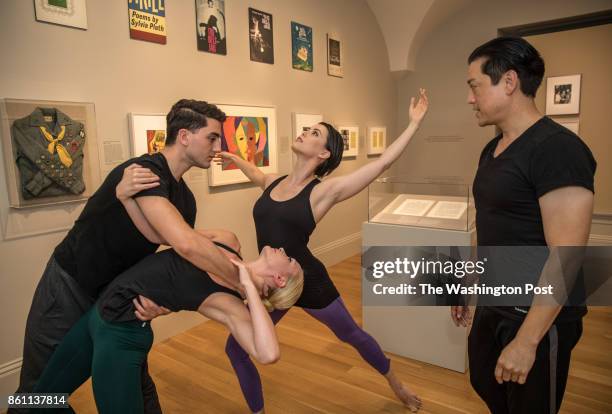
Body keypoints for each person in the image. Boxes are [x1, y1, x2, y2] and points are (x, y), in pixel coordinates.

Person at [11, 99, 241, 414]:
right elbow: (186, 245)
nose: (218, 145)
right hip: (69, 286)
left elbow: (176, 257)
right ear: (185, 136)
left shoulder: (185, 200)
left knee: (131, 376)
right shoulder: (143, 172)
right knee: (38, 391)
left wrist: (158, 301)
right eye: (213, 137)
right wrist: (245, 284)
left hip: (114, 295)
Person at [216, 89, 429, 413]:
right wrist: (235, 159)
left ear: (324, 153)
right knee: (236, 348)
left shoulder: (324, 192)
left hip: (307, 280)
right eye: (307, 129)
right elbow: (256, 174)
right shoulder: (274, 181)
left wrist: (413, 124)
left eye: (314, 133)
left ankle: (397, 384)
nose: (304, 132)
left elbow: (383, 161)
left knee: (352, 335)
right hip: (275, 279)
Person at [451, 37, 596, 414]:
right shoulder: (492, 148)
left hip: (537, 316)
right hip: (494, 301)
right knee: (485, 381)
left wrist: (528, 341)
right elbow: (494, 225)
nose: (470, 98)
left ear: (509, 82)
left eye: (474, 85)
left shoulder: (557, 149)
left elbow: (567, 255)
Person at [34, 228, 304, 413]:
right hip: (95, 315)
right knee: (38, 399)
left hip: (121, 336)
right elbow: (163, 236)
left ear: (280, 279)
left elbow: (268, 354)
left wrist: (247, 286)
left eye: (289, 258)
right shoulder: (227, 240)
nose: (283, 249)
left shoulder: (228, 303)